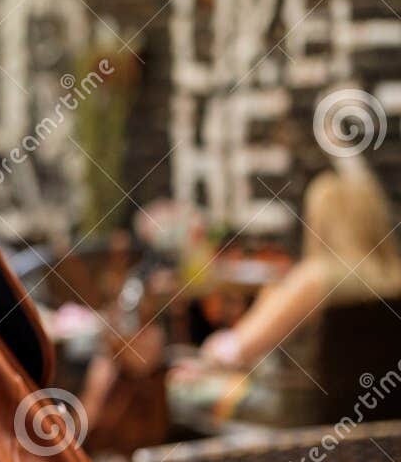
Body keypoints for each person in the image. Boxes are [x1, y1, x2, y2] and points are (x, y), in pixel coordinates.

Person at [170, 161, 401, 425]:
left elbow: (234, 351)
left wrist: (203, 356)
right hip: (378, 423)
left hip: (296, 416)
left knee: (173, 391)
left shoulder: (314, 280)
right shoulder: (394, 279)